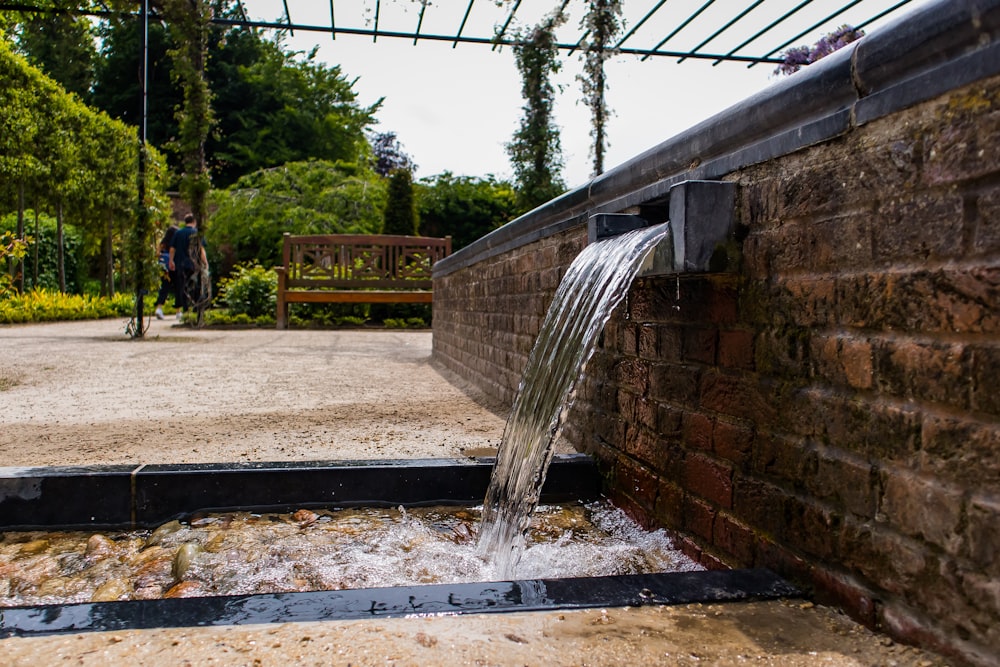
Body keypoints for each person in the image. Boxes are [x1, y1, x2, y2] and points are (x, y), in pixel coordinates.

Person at [168, 213, 208, 320]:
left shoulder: (178, 233)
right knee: (196, 285)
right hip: (194, 264)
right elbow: (201, 250)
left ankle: (184, 310)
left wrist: (171, 261)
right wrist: (205, 262)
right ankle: (196, 307)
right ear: (194, 221)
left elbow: (172, 248)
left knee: (181, 286)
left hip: (180, 264)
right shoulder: (197, 233)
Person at [153, 224, 179, 320]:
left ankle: (159, 308)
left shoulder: (163, 244)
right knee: (178, 288)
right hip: (175, 267)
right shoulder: (176, 243)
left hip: (165, 269)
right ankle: (178, 311)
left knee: (164, 288)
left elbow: (157, 254)